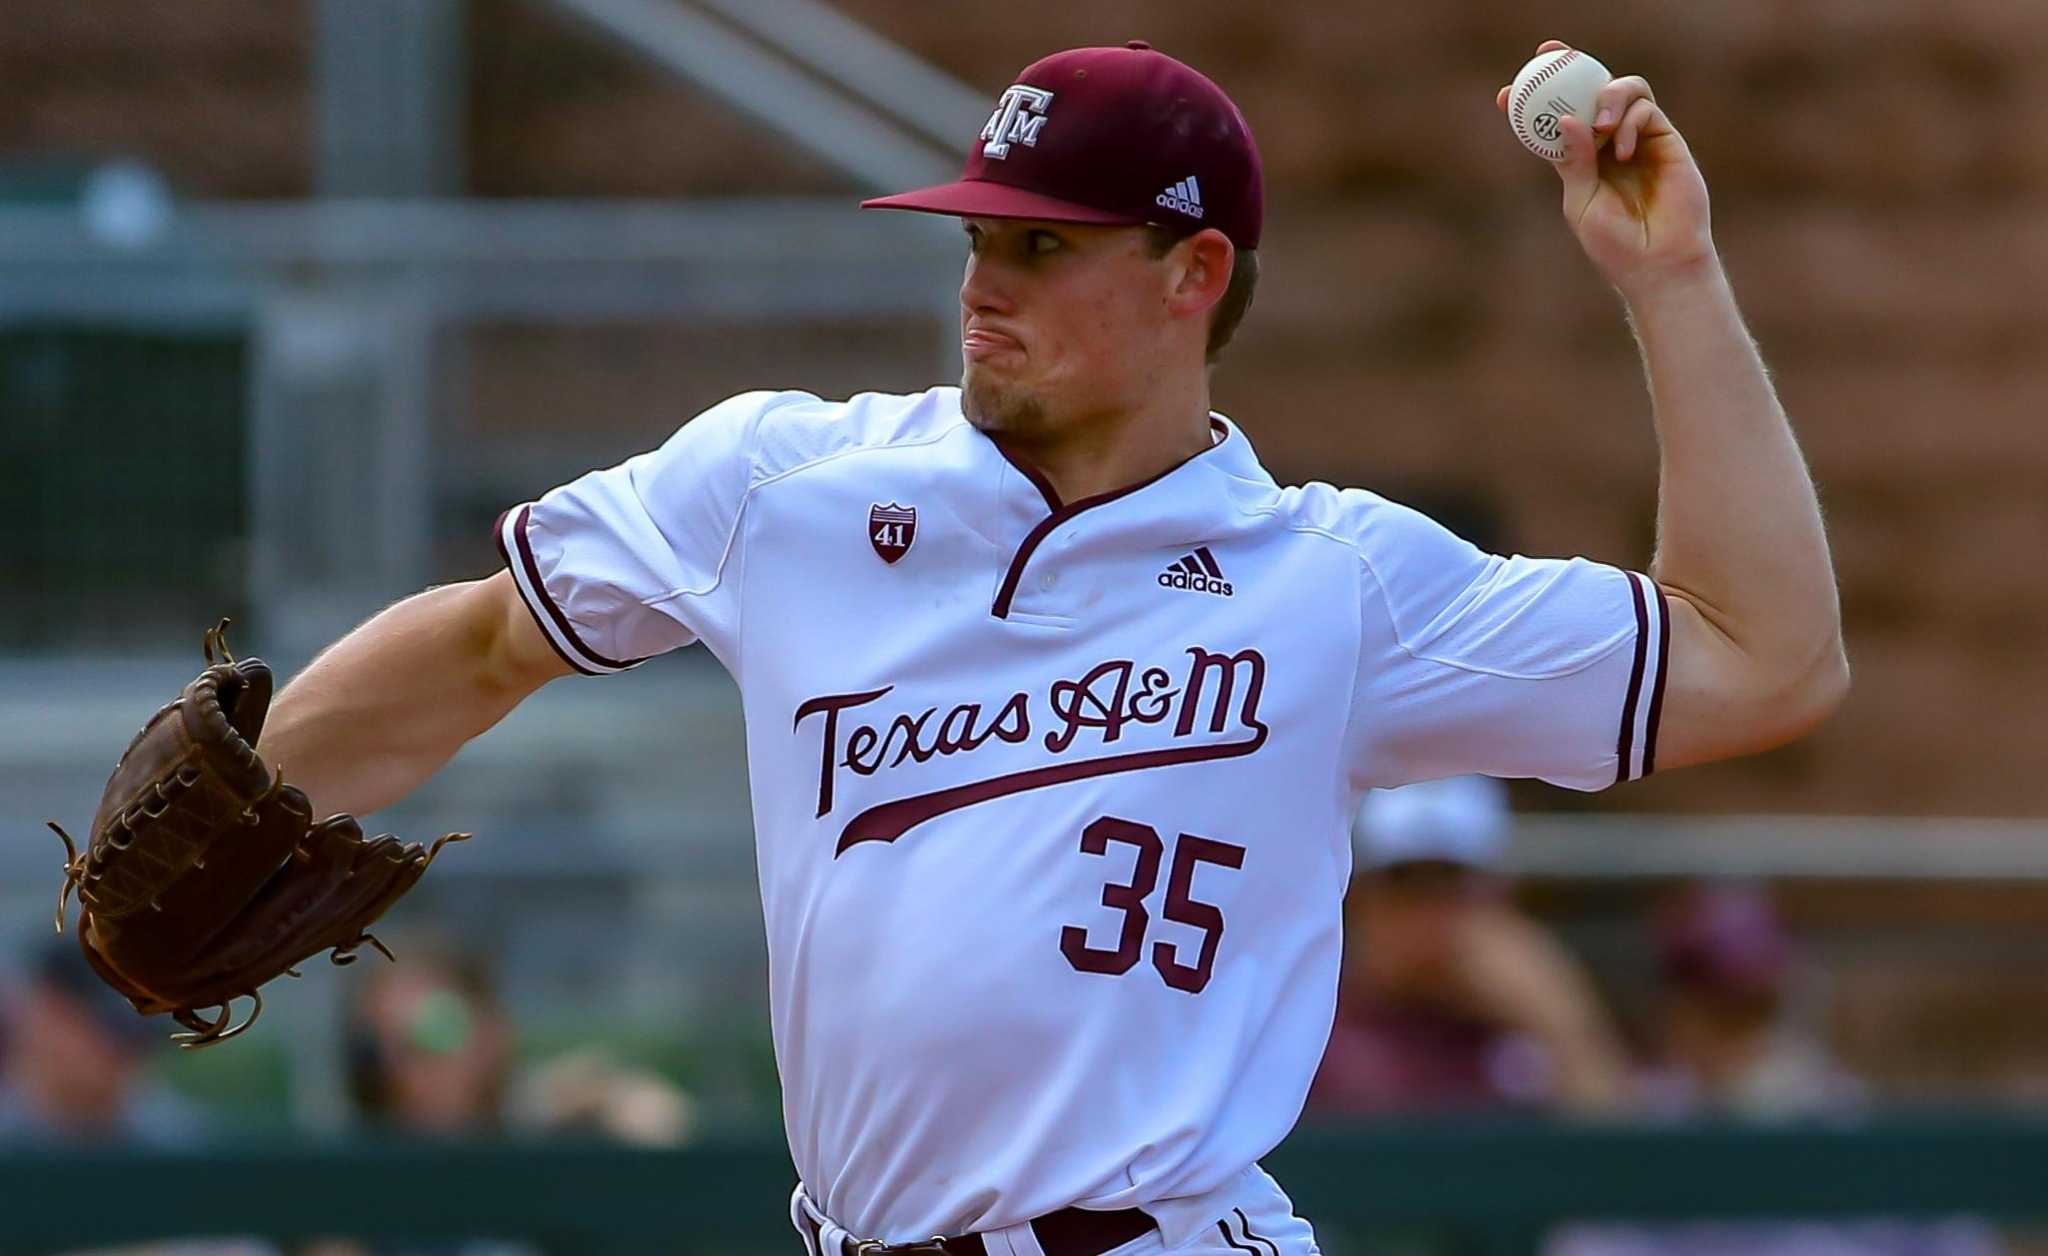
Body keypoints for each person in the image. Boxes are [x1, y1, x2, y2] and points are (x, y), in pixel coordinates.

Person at [250, 37, 1847, 1256]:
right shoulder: (786, 486)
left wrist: (1675, 281)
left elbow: (1764, 660)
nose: (982, 285)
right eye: (976, 240)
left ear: (1192, 274)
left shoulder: (1332, 581)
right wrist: (241, 786)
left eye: (1042, 246)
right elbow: (479, 647)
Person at [1309, 777, 1628, 1117]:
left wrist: (1559, 1026)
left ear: (1499, 897)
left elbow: (1626, 1156)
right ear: (1358, 900)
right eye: (1406, 890)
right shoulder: (1311, 1026)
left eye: (1451, 890)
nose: (1427, 917)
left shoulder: (1529, 1025)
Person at [0, 937, 204, 1146]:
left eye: (144, 1038)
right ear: (50, 1012)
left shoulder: (187, 1148)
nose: (130, 1055)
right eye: (119, 1029)